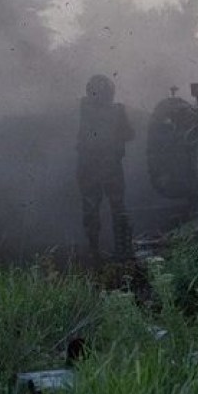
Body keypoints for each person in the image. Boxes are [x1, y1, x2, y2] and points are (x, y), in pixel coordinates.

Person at [76, 75, 135, 262]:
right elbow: (129, 134)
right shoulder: (117, 111)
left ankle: (94, 251)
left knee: (91, 209)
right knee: (118, 207)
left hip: (88, 166)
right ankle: (123, 250)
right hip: (111, 166)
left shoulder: (83, 108)